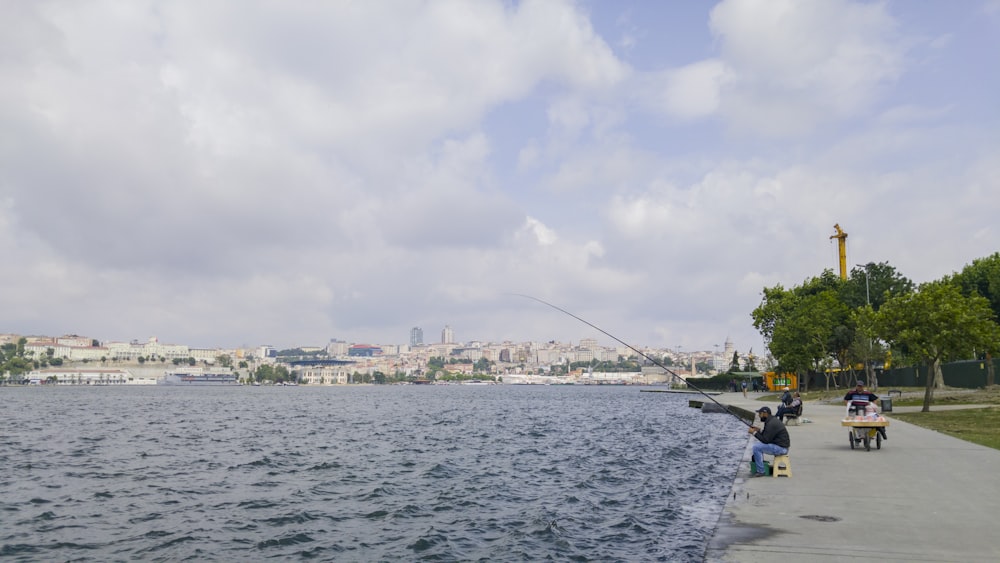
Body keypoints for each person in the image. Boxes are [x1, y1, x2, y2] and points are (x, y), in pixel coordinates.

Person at [747, 406, 790, 477]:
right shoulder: (771, 421)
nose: (759, 416)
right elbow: (767, 435)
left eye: (760, 414)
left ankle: (761, 471)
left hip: (782, 449)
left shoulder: (771, 423)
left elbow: (765, 440)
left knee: (756, 447)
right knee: (758, 446)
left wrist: (753, 433)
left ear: (765, 413)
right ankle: (760, 468)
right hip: (781, 446)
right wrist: (758, 430)